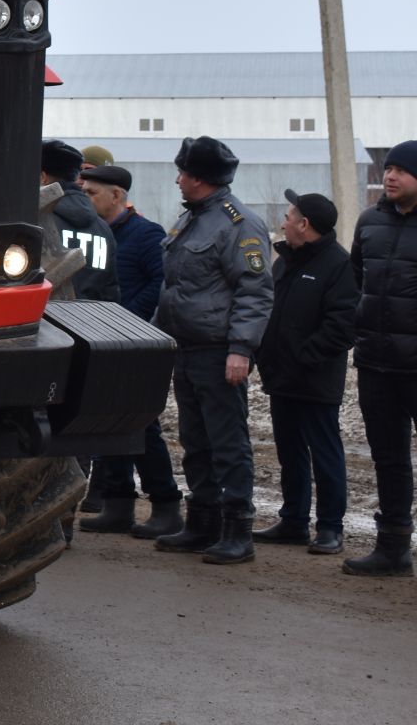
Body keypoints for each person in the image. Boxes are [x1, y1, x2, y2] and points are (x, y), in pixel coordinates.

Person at [152, 135, 273, 565]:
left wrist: (241, 349)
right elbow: (176, 288)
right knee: (195, 441)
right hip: (186, 348)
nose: (178, 179)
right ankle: (202, 522)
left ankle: (237, 529)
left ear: (200, 178)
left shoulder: (238, 224)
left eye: (183, 172)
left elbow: (255, 291)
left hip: (218, 350)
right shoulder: (192, 220)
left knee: (227, 442)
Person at [77, 164, 184, 538]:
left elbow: (161, 283)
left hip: (136, 345)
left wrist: (125, 319)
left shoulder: (145, 234)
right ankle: (117, 504)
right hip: (101, 344)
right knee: (106, 423)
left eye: (91, 192)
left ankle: (166, 504)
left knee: (141, 427)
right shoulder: (93, 234)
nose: (85, 198)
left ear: (117, 196)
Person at [253, 190, 358, 555]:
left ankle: (330, 527)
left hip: (314, 380)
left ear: (304, 224)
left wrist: (302, 358)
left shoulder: (339, 265)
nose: (283, 222)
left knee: (324, 453)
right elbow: (270, 312)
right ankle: (294, 521)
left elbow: (343, 327)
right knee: (290, 452)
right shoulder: (285, 261)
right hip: (282, 378)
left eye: (288, 215)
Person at [344, 138, 417, 578]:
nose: (389, 176)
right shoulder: (369, 222)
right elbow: (355, 284)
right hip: (376, 363)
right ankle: (393, 548)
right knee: (388, 459)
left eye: (401, 170)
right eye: (388, 169)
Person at [42, 140, 119, 305]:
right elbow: (110, 292)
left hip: (43, 322)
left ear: (43, 178)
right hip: (88, 324)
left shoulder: (35, 222)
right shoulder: (103, 228)